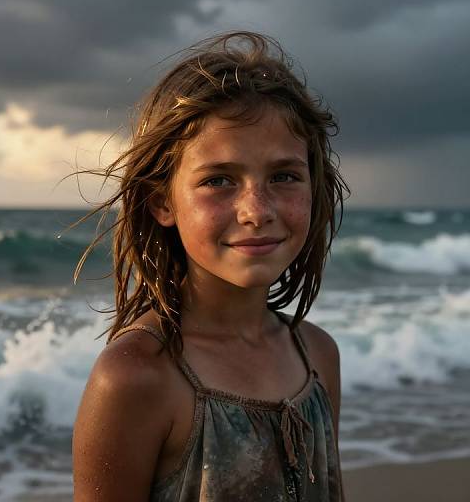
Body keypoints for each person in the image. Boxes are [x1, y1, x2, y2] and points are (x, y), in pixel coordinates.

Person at [72, 31, 349, 501]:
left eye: (283, 176)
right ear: (162, 201)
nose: (256, 210)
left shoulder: (318, 356)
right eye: (219, 180)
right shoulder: (136, 377)